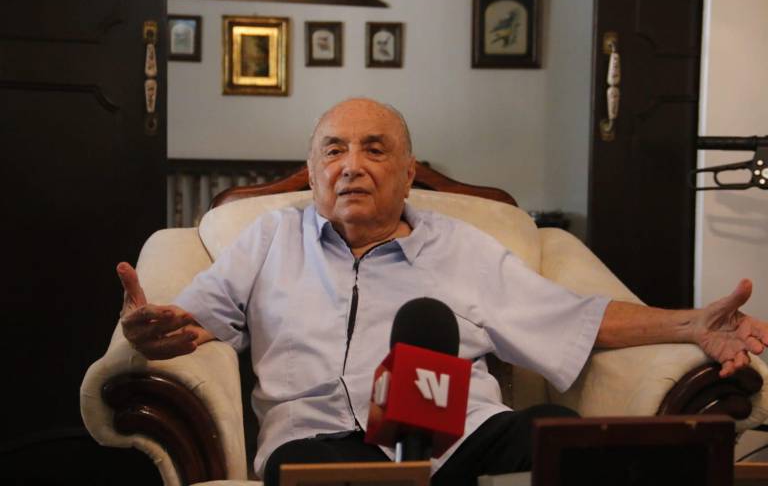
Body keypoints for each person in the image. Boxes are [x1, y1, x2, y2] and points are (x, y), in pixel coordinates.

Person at [117, 98, 767, 485]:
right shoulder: (268, 239)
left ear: (408, 175)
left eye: (375, 150)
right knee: (313, 475)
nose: (352, 165)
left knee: (557, 436)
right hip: (319, 441)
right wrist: (148, 332)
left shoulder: (462, 247)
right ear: (312, 173)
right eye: (334, 151)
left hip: (460, 439)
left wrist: (690, 324)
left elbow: (572, 317)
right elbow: (190, 320)